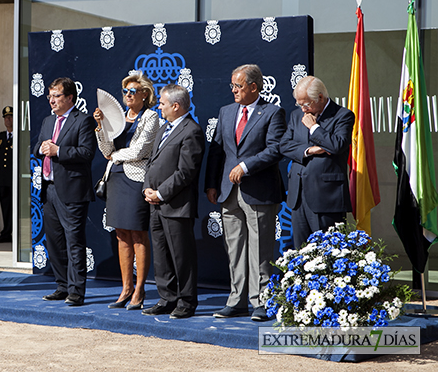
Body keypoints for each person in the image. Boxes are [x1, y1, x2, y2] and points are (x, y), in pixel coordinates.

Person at [205, 64, 285, 322]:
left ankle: (261, 302)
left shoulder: (273, 112)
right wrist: (211, 184)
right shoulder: (226, 111)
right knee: (235, 249)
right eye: (232, 86)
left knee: (260, 250)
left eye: (238, 86)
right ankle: (236, 300)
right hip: (228, 192)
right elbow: (217, 151)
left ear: (254, 87)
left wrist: (246, 165)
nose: (234, 91)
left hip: (259, 191)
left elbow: (275, 149)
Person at [93, 72, 159, 310]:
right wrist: (100, 127)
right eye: (125, 92)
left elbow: (140, 151)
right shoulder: (118, 117)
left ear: (144, 94)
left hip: (137, 179)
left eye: (133, 91)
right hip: (116, 178)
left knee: (138, 235)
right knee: (121, 234)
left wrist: (115, 156)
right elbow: (106, 149)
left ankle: (140, 290)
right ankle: (126, 288)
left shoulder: (151, 117)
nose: (128, 95)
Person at [141, 84, 204, 319]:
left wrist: (161, 193)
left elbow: (186, 172)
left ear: (175, 106)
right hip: (155, 203)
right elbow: (152, 161)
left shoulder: (191, 131)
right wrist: (148, 187)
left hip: (176, 205)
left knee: (181, 256)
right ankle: (167, 298)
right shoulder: (163, 128)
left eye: (162, 103)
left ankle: (186, 302)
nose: (159, 107)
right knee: (161, 254)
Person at [34, 77, 96, 306]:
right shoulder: (48, 121)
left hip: (72, 191)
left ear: (70, 97)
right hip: (49, 188)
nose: (51, 100)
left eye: (56, 96)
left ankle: (76, 291)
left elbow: (87, 153)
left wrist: (59, 150)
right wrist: (41, 149)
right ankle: (61, 285)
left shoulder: (83, 121)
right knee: (54, 241)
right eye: (49, 96)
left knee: (74, 242)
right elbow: (38, 146)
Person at [280, 76, 355, 249]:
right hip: (298, 195)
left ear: (320, 97)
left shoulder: (342, 115)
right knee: (301, 251)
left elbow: (336, 145)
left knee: (327, 253)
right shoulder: (296, 115)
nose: (303, 109)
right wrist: (309, 150)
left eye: (306, 104)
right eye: (299, 104)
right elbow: (284, 145)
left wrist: (314, 128)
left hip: (326, 196)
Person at [0, 106, 14, 243]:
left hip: (14, 177)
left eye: (10, 117)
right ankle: (6, 232)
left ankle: (15, 232)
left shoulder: (19, 136)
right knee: (5, 205)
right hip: (3, 177)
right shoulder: (0, 137)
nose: (8, 120)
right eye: (6, 117)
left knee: (15, 206)